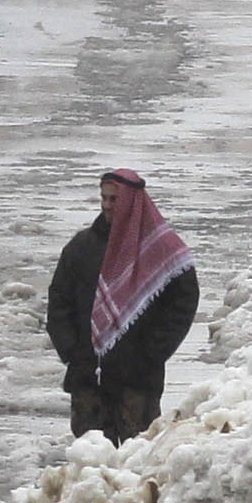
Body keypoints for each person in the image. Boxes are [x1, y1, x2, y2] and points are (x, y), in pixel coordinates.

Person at [47, 170, 198, 443]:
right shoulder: (81, 248)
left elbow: (183, 304)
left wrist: (151, 354)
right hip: (88, 378)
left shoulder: (161, 251)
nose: (106, 205)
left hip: (138, 382)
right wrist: (72, 351)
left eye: (114, 199)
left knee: (136, 462)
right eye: (103, 198)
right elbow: (59, 301)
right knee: (91, 465)